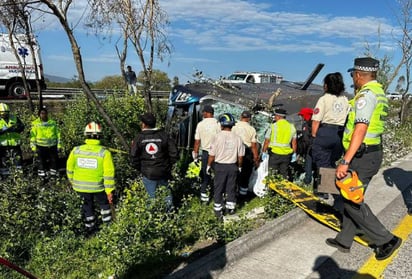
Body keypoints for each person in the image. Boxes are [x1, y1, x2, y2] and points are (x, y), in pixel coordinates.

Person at [326, 57, 401, 261]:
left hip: (363, 155)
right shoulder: (379, 92)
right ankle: (345, 239)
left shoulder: (366, 96)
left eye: (353, 75)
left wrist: (345, 161)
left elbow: (361, 128)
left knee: (351, 199)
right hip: (370, 152)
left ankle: (386, 240)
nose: (353, 79)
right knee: (351, 196)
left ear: (359, 75)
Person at [66, 122, 115, 236]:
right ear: (100, 136)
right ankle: (108, 229)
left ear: (85, 135)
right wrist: (109, 191)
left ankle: (90, 230)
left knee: (87, 208)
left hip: (80, 187)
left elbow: (69, 168)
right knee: (104, 206)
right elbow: (109, 174)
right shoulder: (104, 153)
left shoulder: (76, 150)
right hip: (98, 187)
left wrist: (73, 182)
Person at [311, 72, 349, 199]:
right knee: (331, 160)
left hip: (326, 131)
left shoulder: (324, 99)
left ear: (326, 85)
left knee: (322, 161)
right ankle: (333, 187)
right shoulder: (344, 99)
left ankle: (324, 192)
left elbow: (316, 120)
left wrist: (314, 136)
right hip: (339, 133)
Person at [130, 112, 178, 210]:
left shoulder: (139, 138)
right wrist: (168, 166)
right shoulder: (164, 135)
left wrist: (140, 169)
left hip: (148, 173)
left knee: (151, 197)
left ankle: (152, 216)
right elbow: (174, 153)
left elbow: (133, 156)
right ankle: (170, 216)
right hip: (163, 171)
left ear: (144, 124)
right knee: (166, 195)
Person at [207, 113, 245, 218]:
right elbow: (240, 156)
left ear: (222, 124)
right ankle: (231, 208)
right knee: (231, 187)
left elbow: (212, 154)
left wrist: (208, 165)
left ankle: (218, 210)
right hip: (232, 166)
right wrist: (240, 166)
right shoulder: (238, 138)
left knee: (219, 188)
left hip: (220, 167)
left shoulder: (217, 137)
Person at [192, 105, 221, 203]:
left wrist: (195, 155)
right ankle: (218, 195)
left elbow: (197, 141)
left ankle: (204, 198)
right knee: (218, 175)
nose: (202, 114)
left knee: (205, 176)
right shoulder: (218, 124)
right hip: (217, 154)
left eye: (203, 112)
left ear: (207, 113)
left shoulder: (200, 124)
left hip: (206, 154)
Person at [261, 108, 297, 180]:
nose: (274, 117)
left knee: (272, 174)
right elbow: (294, 143)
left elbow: (267, 141)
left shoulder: (273, 126)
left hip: (274, 154)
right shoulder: (291, 127)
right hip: (286, 155)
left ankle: (271, 190)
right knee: (284, 175)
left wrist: (264, 152)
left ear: (278, 116)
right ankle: (282, 189)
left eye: (275, 116)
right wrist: (294, 154)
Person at [232, 110, 259, 196]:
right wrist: (256, 158)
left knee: (234, 174)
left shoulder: (234, 126)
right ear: (249, 119)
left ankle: (233, 192)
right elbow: (254, 145)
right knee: (246, 174)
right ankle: (243, 195)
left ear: (241, 117)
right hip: (247, 152)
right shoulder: (251, 129)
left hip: (234, 151)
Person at [30, 107, 61, 178]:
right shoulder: (35, 123)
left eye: (45, 113)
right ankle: (42, 177)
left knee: (53, 161)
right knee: (41, 162)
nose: (43, 115)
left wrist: (59, 145)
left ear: (47, 114)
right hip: (40, 147)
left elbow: (58, 135)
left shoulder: (53, 123)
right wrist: (33, 147)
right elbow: (32, 136)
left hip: (52, 146)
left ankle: (53, 176)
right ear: (39, 115)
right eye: (42, 113)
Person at [0, 103, 24, 175]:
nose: (4, 115)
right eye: (2, 113)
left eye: (6, 113)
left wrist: (15, 129)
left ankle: (18, 176)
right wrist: (2, 131)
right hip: (2, 145)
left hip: (15, 143)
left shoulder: (14, 118)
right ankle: (5, 176)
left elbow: (22, 127)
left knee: (18, 160)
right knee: (4, 161)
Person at [297, 107, 314, 185]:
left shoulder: (306, 125)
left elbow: (306, 138)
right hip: (318, 147)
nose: (302, 117)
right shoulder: (317, 123)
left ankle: (307, 181)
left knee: (308, 164)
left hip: (309, 148)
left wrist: (303, 149)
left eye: (302, 115)